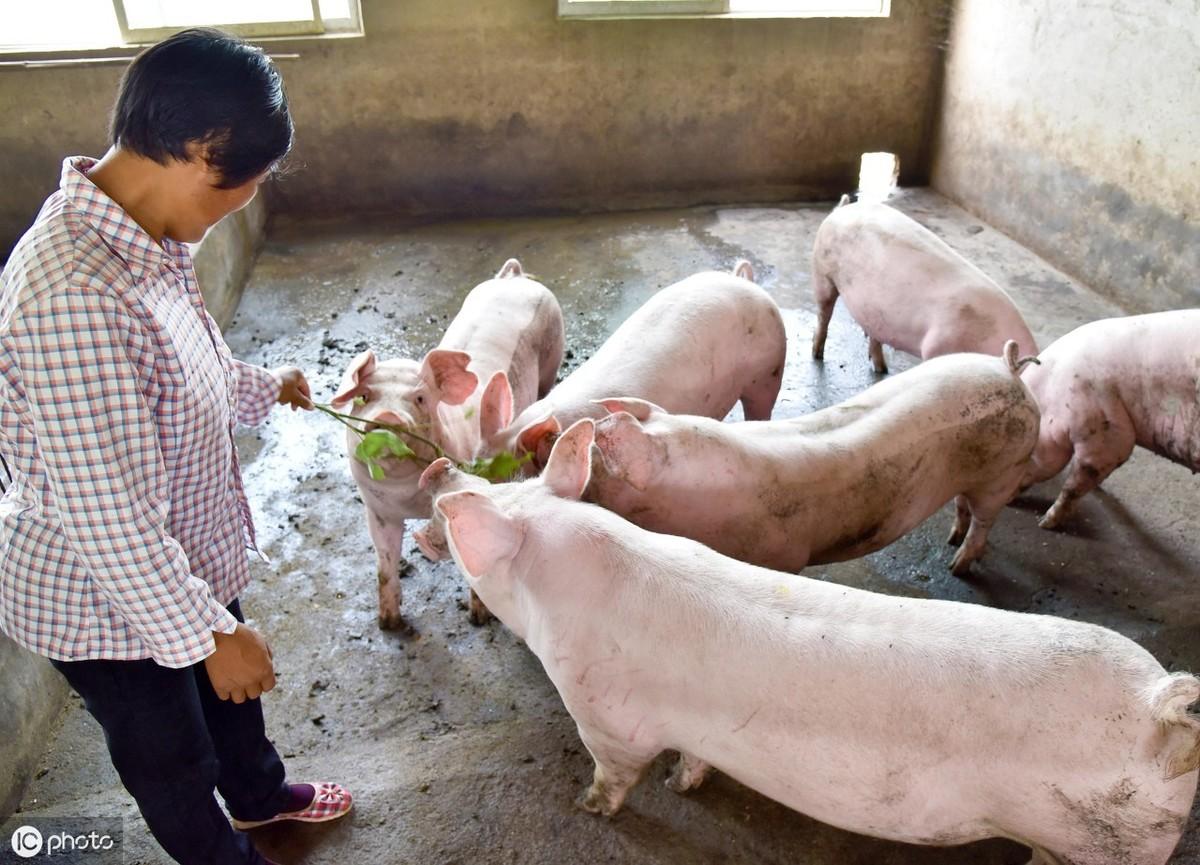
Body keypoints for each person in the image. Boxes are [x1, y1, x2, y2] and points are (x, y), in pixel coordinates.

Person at [0, 29, 351, 865]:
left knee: (231, 704)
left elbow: (188, 363)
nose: (248, 197)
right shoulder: (74, 298)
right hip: (105, 600)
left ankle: (261, 797)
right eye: (252, 179)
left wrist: (265, 386)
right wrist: (211, 635)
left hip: (182, 550)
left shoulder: (145, 229)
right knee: (171, 754)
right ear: (204, 150)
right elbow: (110, 519)